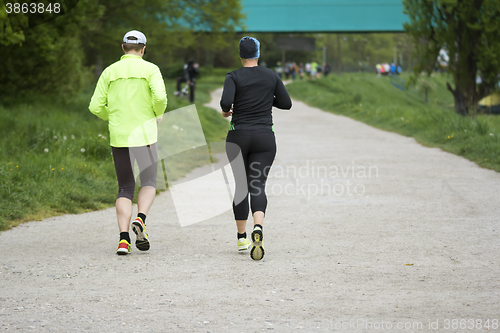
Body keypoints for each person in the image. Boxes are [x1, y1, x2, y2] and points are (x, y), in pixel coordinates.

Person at [89, 30, 167, 255]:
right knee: (149, 182)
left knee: (124, 187)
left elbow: (95, 106)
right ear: (143, 49)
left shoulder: (109, 71)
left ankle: (124, 240)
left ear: (122, 48)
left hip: (119, 136)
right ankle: (141, 220)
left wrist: (112, 117)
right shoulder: (151, 69)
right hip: (145, 136)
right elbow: (160, 98)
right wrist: (157, 114)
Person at [220, 36, 292, 260]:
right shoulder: (271, 76)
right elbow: (286, 103)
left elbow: (225, 102)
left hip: (238, 135)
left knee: (241, 186)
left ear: (240, 55)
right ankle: (258, 228)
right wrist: (265, 99)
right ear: (258, 54)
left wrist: (228, 109)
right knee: (258, 184)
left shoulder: (233, 76)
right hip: (264, 137)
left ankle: (242, 237)